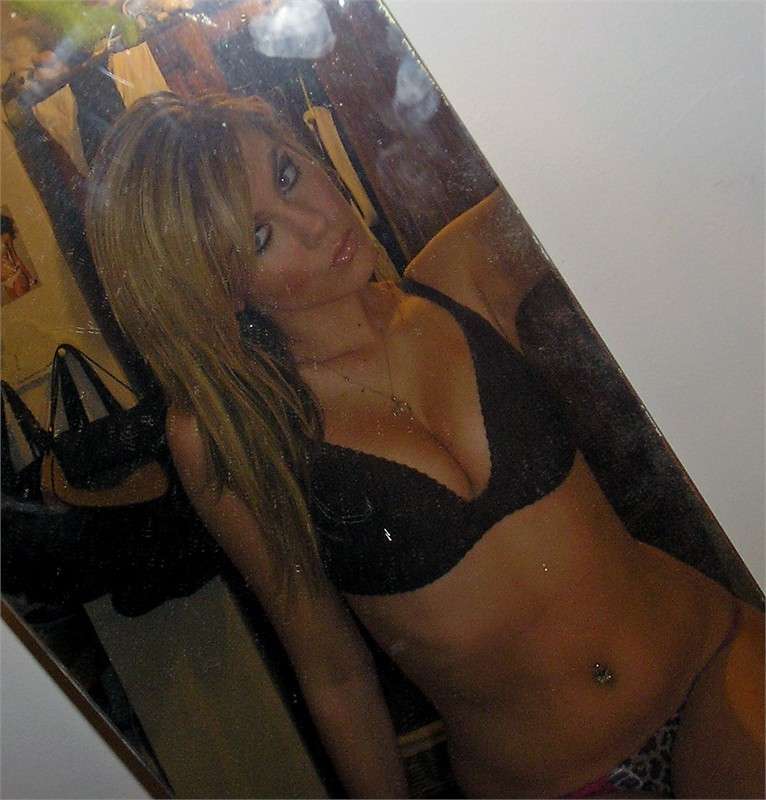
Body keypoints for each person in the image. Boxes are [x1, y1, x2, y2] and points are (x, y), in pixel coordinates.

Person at [84, 92, 764, 799]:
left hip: (710, 670)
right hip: (542, 782)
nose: (315, 221)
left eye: (287, 174)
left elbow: (615, 147)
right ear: (222, 291)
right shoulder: (235, 438)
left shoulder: (461, 276)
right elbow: (335, 673)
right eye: (260, 236)